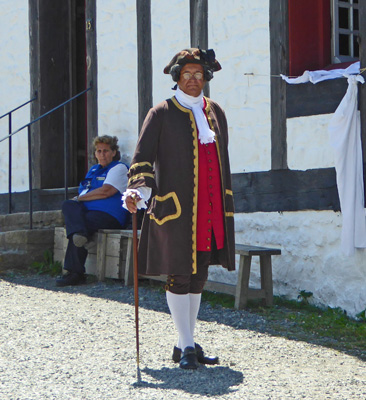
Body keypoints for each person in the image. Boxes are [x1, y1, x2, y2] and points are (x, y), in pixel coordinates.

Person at [124, 48, 235, 369]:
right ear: (177, 78)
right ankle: (187, 344)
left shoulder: (216, 113)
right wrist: (136, 192)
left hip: (210, 208)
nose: (193, 80)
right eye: (186, 75)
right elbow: (142, 159)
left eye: (199, 75)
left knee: (199, 274)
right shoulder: (160, 113)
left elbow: (221, 160)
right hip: (176, 210)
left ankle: (184, 341)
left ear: (206, 78)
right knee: (180, 274)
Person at [56, 135, 130, 287]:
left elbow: (106, 191)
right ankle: (79, 236)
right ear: (95, 154)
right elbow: (85, 191)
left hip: (108, 215)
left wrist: (80, 199)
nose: (102, 154)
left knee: (78, 226)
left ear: (114, 152)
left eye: (106, 151)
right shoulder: (93, 170)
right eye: (99, 151)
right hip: (86, 212)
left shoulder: (119, 168)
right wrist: (78, 200)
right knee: (68, 206)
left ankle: (75, 273)